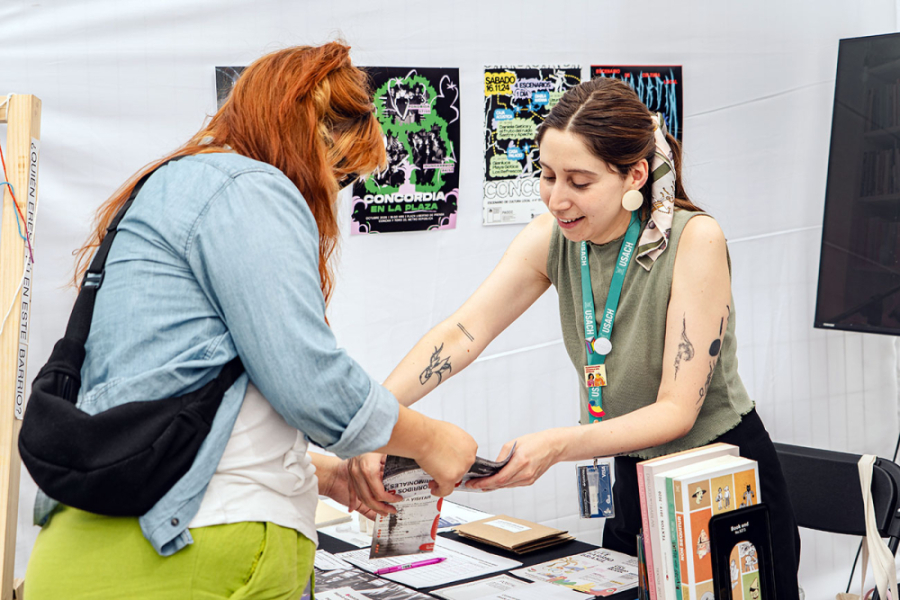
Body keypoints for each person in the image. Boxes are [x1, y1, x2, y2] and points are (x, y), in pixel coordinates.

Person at [24, 43, 477, 600]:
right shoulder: (249, 186)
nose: (332, 195)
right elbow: (308, 380)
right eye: (340, 174)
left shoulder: (170, 189)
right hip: (196, 547)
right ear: (314, 137)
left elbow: (175, 405)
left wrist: (323, 475)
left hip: (89, 544)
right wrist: (433, 439)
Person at [348, 77, 801, 597]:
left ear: (633, 174)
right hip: (633, 476)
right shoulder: (554, 239)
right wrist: (374, 416)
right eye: (546, 175)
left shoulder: (694, 238)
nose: (557, 199)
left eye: (579, 182)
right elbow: (461, 333)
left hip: (718, 477)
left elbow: (677, 411)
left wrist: (559, 444)